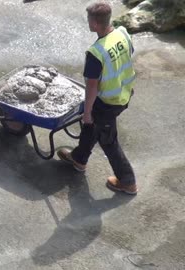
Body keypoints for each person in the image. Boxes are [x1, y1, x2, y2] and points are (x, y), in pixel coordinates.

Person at [57, 2, 138, 195]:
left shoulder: (96, 53)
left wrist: (86, 113)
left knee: (108, 139)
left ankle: (127, 181)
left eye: (88, 19)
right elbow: (129, 54)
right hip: (124, 92)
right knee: (94, 126)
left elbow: (92, 86)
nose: (87, 22)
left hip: (109, 101)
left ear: (94, 23)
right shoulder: (122, 33)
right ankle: (79, 158)